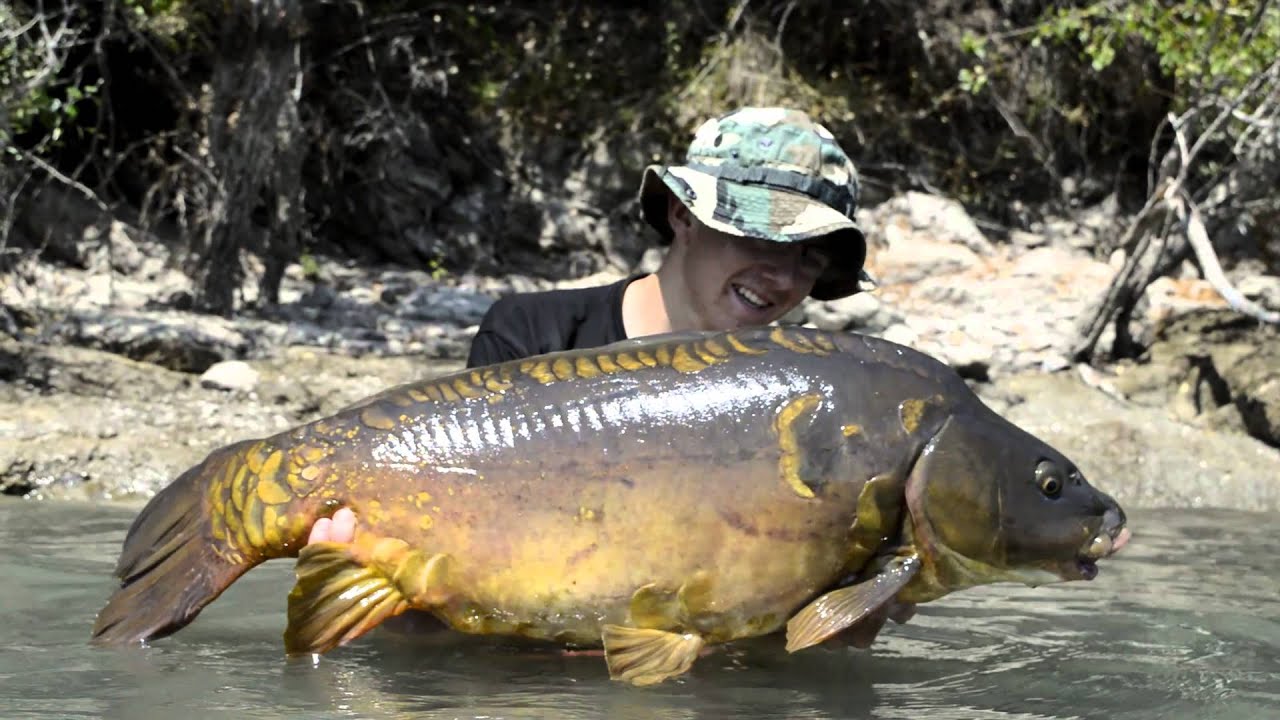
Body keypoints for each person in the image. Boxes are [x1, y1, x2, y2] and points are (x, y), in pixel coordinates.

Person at [309, 105, 871, 545]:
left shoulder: (810, 409)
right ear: (683, 215)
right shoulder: (533, 335)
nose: (780, 276)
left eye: (809, 258)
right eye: (759, 238)